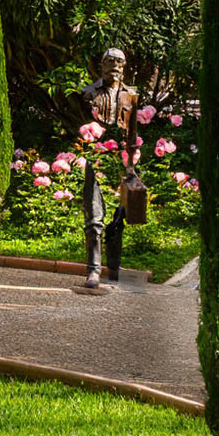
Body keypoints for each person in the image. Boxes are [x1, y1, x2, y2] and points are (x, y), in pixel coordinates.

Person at [78, 47, 141, 289]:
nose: (115, 66)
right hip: (96, 157)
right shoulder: (89, 93)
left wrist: (131, 165)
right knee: (94, 216)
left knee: (119, 217)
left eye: (119, 62)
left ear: (124, 68)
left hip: (123, 160)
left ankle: (113, 268)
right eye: (110, 62)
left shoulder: (131, 96)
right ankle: (93, 270)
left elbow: (133, 132)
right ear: (101, 65)